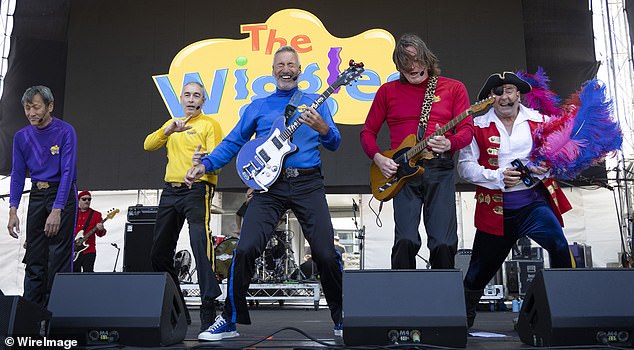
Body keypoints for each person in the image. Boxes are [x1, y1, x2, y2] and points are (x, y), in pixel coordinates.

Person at [185, 45, 344, 341]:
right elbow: (233, 142)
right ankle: (229, 320)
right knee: (244, 249)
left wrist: (323, 128)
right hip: (269, 187)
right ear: (273, 71)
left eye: (291, 64)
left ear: (299, 71)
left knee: (324, 252)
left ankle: (341, 317)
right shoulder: (258, 106)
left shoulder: (315, 103)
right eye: (280, 64)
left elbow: (334, 143)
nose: (286, 69)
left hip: (308, 184)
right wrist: (205, 165)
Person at [457, 71, 574, 328]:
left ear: (518, 95)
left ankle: (562, 313)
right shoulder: (476, 126)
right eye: (498, 92)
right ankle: (461, 324)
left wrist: (547, 167)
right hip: (497, 211)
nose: (504, 97)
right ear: (490, 98)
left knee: (560, 247)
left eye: (509, 90)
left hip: (533, 204)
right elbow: (464, 168)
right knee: (477, 274)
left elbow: (560, 153)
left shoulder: (541, 121)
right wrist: (498, 177)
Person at [360, 33, 473, 269]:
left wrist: (450, 143)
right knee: (405, 240)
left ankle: (442, 299)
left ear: (427, 59)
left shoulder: (453, 88)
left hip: (439, 170)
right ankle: (402, 300)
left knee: (443, 243)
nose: (412, 67)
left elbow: (467, 131)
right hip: (403, 172)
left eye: (416, 60)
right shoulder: (387, 91)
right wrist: (379, 158)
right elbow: (367, 133)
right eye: (405, 64)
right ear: (398, 67)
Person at [144, 81, 223, 332]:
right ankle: (178, 307)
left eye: (196, 95)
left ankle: (208, 303)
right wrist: (167, 131)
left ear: (203, 101)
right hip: (170, 190)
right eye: (187, 95)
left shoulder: (209, 125)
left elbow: (218, 159)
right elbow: (148, 145)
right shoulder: (173, 124)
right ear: (180, 98)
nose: (191, 99)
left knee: (199, 241)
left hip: (198, 188)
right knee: (158, 253)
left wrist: (204, 161)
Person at [7, 85, 77, 306]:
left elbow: (68, 172)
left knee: (58, 258)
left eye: (36, 107)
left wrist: (57, 210)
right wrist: (13, 209)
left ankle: (57, 314)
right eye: (27, 108)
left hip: (62, 192)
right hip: (37, 194)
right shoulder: (21, 137)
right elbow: (18, 174)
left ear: (50, 106)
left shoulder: (65, 131)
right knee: (35, 257)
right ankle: (30, 314)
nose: (31, 113)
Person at [73, 190, 107, 272]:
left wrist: (101, 229)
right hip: (73, 250)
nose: (87, 201)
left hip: (89, 250)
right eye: (84, 199)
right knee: (74, 275)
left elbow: (100, 234)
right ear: (78, 200)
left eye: (89, 199)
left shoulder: (96, 214)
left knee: (88, 274)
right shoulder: (73, 213)